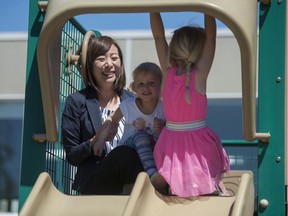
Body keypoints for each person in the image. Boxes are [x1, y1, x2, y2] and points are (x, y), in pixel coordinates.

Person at [150, 13, 230, 197]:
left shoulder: (167, 71)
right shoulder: (199, 75)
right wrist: (207, 8)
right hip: (198, 141)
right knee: (199, 170)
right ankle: (212, 186)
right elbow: (211, 36)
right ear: (199, 51)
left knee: (179, 173)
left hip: (170, 141)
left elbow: (158, 36)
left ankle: (173, 186)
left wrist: (153, 9)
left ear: (174, 48)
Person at [62, 35, 144, 195]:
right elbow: (72, 155)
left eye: (114, 58)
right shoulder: (77, 101)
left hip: (134, 176)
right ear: (90, 65)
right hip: (96, 181)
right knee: (123, 154)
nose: (109, 64)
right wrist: (96, 141)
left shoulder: (132, 100)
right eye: (101, 59)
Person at [93, 62, 167, 191]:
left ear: (161, 86)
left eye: (151, 83)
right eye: (141, 84)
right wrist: (100, 140)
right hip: (130, 148)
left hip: (152, 148)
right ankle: (152, 175)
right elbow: (111, 120)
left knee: (165, 141)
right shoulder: (129, 106)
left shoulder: (164, 108)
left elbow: (170, 133)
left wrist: (161, 129)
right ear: (134, 88)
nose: (146, 88)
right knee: (140, 135)